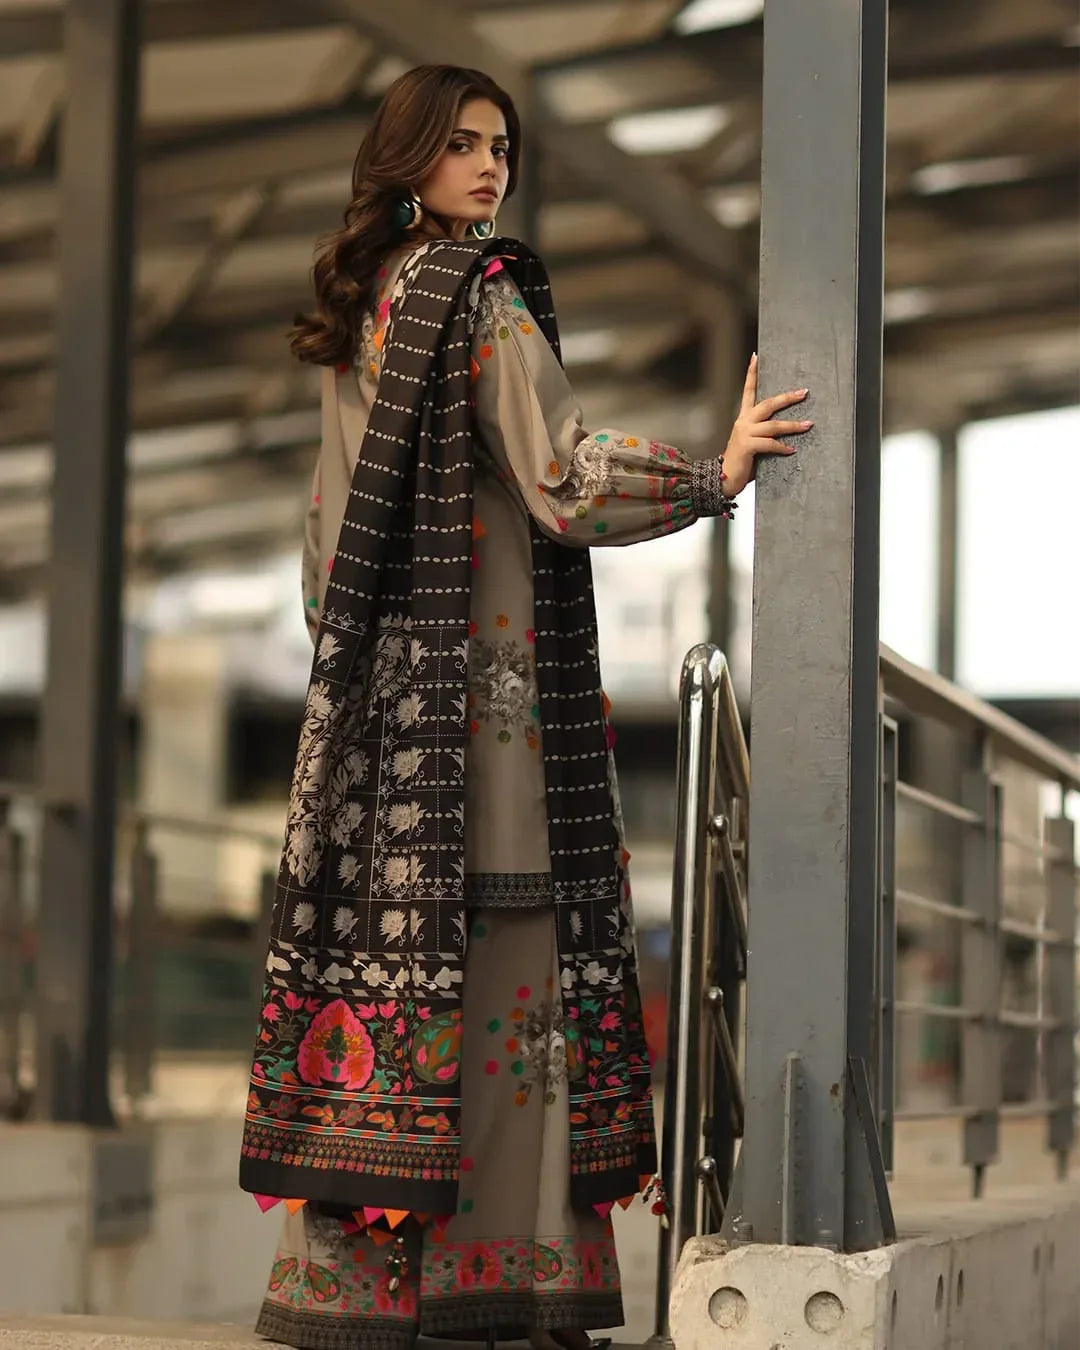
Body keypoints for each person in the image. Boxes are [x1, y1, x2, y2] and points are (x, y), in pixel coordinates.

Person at [240, 64, 812, 1350]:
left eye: (501, 146)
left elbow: (321, 533)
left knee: (399, 997)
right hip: (486, 728)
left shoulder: (373, 304)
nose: (490, 168)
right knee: (515, 1001)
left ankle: (361, 1294)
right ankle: (507, 1283)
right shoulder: (474, 293)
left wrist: (367, 685)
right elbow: (560, 474)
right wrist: (712, 473)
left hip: (388, 721)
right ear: (410, 160)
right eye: (461, 146)